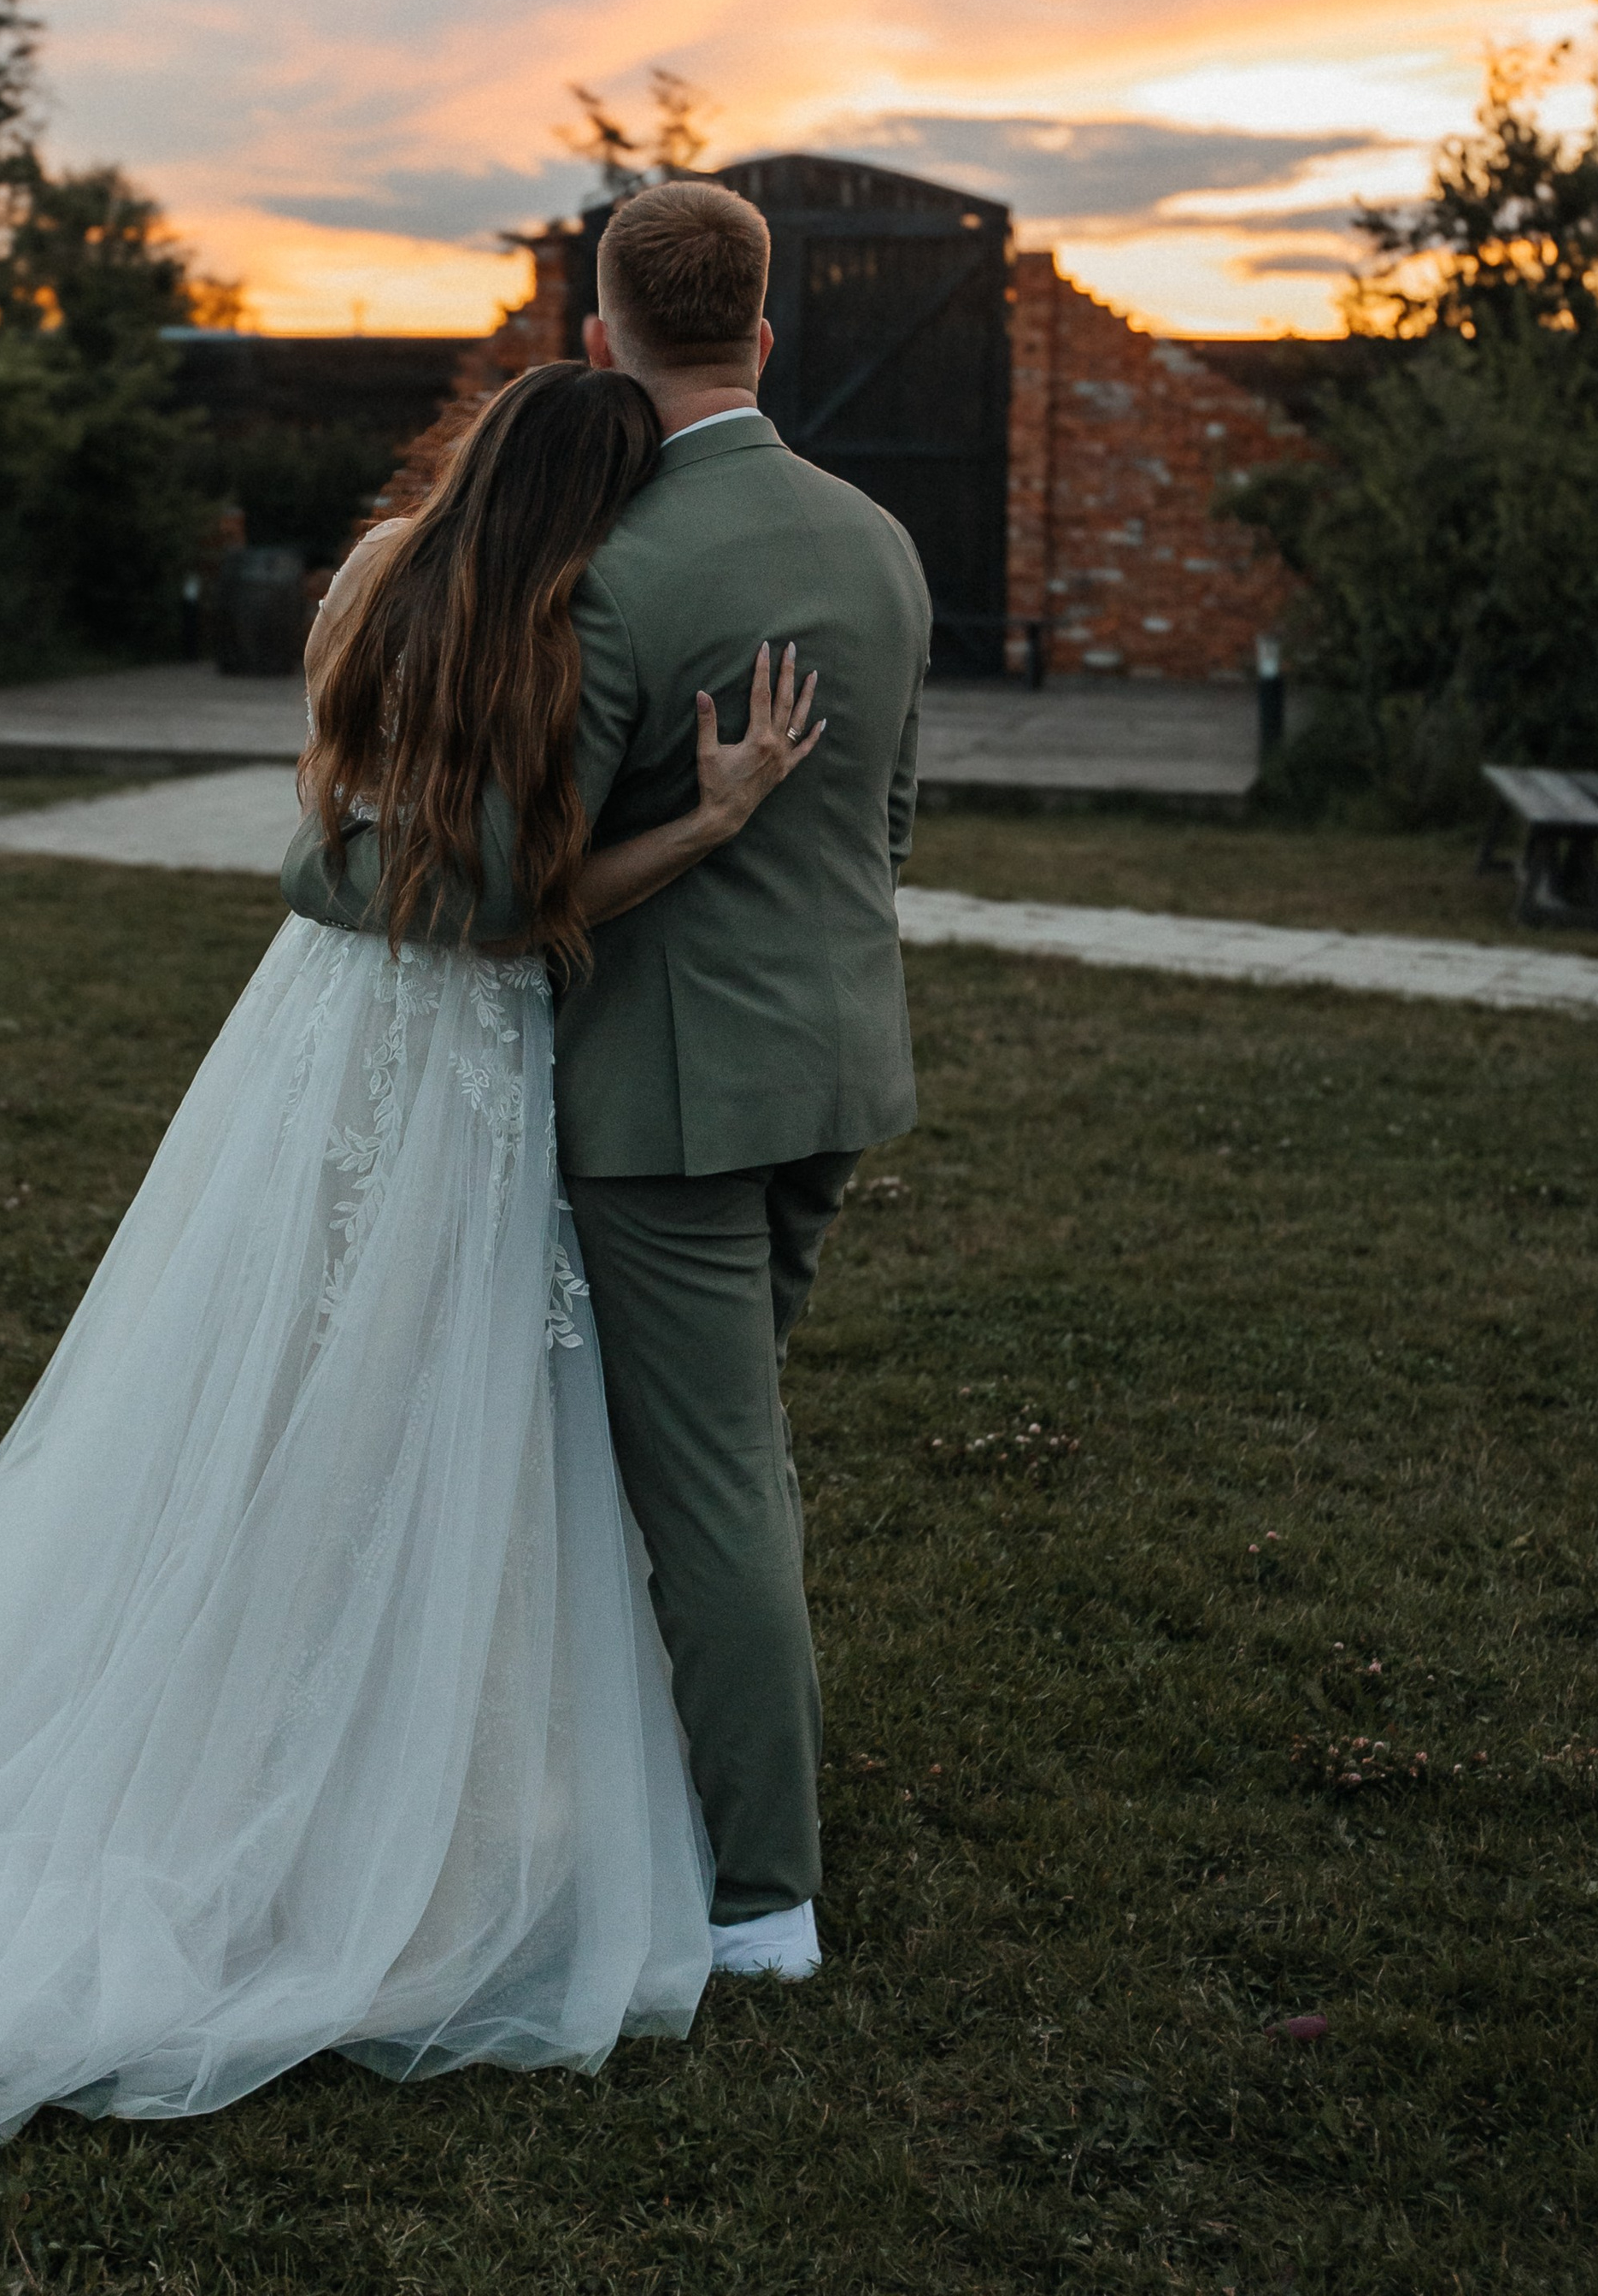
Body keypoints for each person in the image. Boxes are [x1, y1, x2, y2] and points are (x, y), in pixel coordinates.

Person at [0, 359, 826, 2170]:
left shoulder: (378, 571)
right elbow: (512, 908)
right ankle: (387, 1766)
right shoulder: (560, 633)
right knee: (436, 1393)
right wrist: (705, 817)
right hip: (467, 1045)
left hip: (320, 1026)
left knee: (285, 1365)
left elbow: (336, 817)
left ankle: (281, 1684)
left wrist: (364, 862)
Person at [283, 178, 932, 1979]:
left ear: (597, 337)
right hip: (833, 1068)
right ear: (765, 332)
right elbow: (885, 824)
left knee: (711, 1488)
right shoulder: (879, 541)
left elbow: (493, 886)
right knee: (717, 1450)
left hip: (666, 1100)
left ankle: (762, 1897)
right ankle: (637, 1771)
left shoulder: (613, 577)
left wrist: (316, 863)